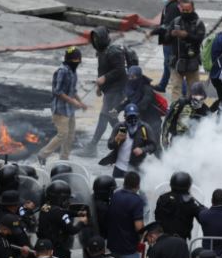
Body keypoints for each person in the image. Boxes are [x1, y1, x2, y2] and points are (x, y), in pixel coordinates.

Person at [79, 26, 127, 157]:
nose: (95, 40)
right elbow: (102, 70)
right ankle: (126, 141)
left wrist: (105, 78)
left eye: (97, 38)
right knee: (111, 117)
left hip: (117, 90)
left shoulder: (114, 52)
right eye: (93, 38)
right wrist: (99, 87)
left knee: (104, 116)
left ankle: (92, 147)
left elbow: (120, 71)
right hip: (109, 90)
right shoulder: (102, 51)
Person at [36, 46, 87, 164]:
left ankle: (64, 159)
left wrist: (80, 102)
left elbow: (73, 91)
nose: (77, 63)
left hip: (70, 110)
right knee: (62, 134)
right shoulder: (62, 71)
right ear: (69, 60)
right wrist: (72, 101)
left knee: (70, 136)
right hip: (60, 110)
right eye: (75, 61)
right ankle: (42, 155)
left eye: (78, 61)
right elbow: (57, 92)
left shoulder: (73, 72)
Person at [99, 104, 157, 178]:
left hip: (137, 169)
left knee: (136, 189)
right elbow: (110, 146)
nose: (132, 120)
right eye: (129, 117)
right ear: (125, 116)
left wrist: (142, 149)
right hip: (119, 168)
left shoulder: (144, 128)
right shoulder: (120, 127)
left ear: (138, 116)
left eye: (134, 116)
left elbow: (153, 146)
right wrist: (117, 139)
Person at [37, 181, 88, 258]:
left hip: (44, 244)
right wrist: (82, 222)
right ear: (59, 199)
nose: (68, 201)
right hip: (56, 249)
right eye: (66, 199)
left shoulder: (45, 207)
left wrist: (77, 213)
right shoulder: (59, 212)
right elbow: (72, 230)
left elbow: (59, 213)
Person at [165, 0, 205, 102]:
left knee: (194, 90)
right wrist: (171, 34)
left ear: (193, 9)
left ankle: (192, 112)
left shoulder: (198, 23)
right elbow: (165, 38)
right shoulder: (175, 21)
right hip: (176, 62)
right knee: (175, 89)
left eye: (188, 10)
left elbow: (199, 39)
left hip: (192, 62)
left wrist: (186, 36)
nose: (185, 12)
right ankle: (175, 112)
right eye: (183, 10)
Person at [146, 0, 181, 93]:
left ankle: (184, 90)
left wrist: (152, 32)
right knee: (168, 65)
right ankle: (162, 85)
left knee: (172, 67)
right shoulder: (172, 5)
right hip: (170, 41)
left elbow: (166, 26)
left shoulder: (172, 7)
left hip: (170, 42)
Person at [114, 65, 163, 141]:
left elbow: (143, 105)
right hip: (139, 122)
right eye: (129, 77)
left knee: (154, 145)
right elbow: (129, 101)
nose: (131, 79)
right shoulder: (132, 89)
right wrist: (117, 109)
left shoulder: (147, 89)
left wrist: (130, 111)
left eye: (133, 77)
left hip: (152, 122)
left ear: (139, 77)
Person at [155, 171, 204, 240]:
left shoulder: (162, 198)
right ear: (188, 185)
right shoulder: (189, 202)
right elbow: (203, 215)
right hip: (180, 241)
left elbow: (157, 216)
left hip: (162, 239)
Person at [161, 82, 212, 148]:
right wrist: (164, 139)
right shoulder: (181, 103)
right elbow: (168, 120)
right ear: (192, 95)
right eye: (196, 97)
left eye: (201, 98)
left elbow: (209, 130)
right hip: (177, 140)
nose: (198, 100)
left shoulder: (206, 111)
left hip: (195, 143)